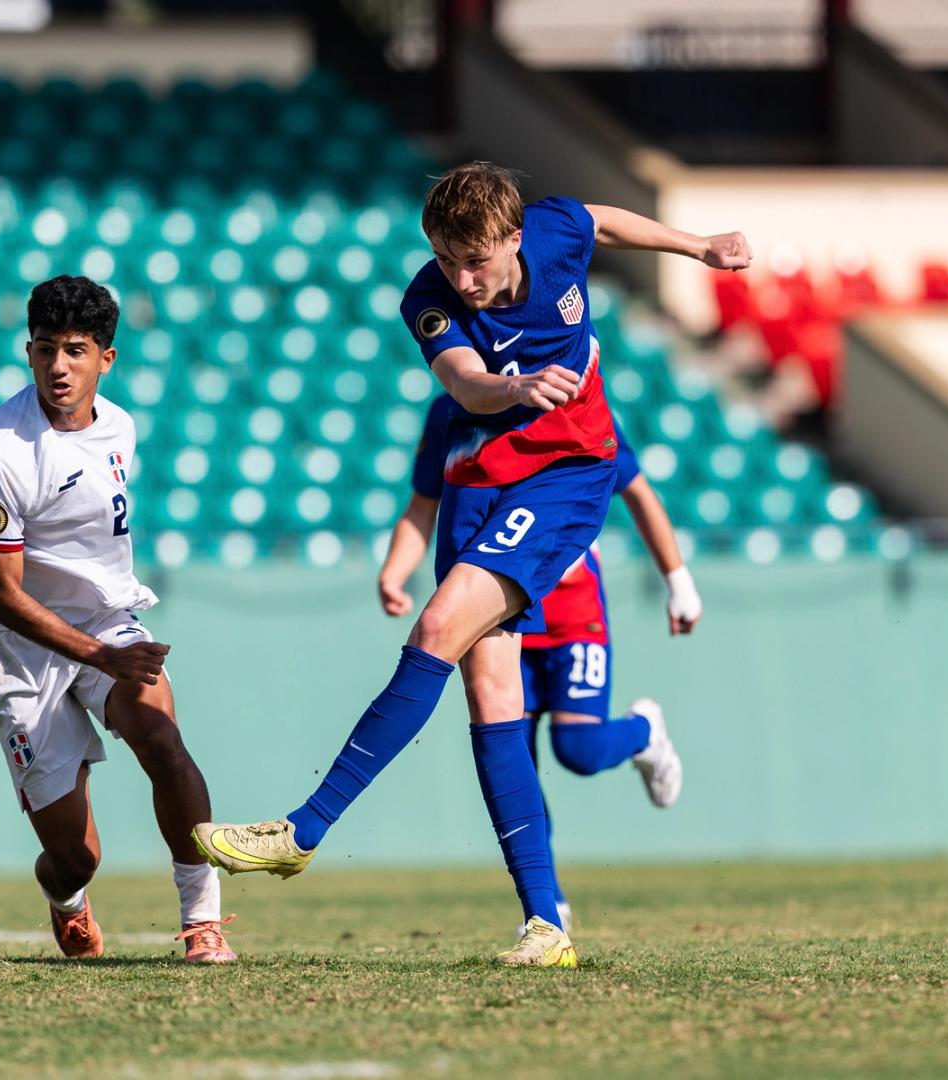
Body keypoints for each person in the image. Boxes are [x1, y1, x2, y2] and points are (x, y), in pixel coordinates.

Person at [194, 162, 751, 967]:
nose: (463, 279)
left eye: (477, 261)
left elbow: (605, 219)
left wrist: (699, 247)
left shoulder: (556, 233)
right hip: (498, 485)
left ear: (516, 240)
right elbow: (464, 382)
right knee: (492, 701)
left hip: (569, 475)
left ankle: (302, 829)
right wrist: (511, 385)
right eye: (448, 259)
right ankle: (546, 925)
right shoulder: (429, 297)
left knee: (439, 629)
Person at [0, 275, 236, 963]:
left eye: (75, 350)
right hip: (18, 645)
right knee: (76, 857)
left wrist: (109, 650)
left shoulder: (120, 428)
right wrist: (99, 657)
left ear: (105, 359)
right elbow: (1, 595)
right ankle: (66, 900)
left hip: (107, 622)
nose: (58, 366)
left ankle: (203, 922)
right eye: (45, 349)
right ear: (27, 351)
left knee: (161, 735)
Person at [379, 394, 702, 932]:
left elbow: (638, 491)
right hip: (501, 621)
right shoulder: (450, 412)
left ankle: (644, 732)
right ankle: (548, 900)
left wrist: (678, 579)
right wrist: (395, 571)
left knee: (579, 748)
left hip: (574, 615)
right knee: (516, 760)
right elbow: (422, 506)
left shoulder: (573, 401)